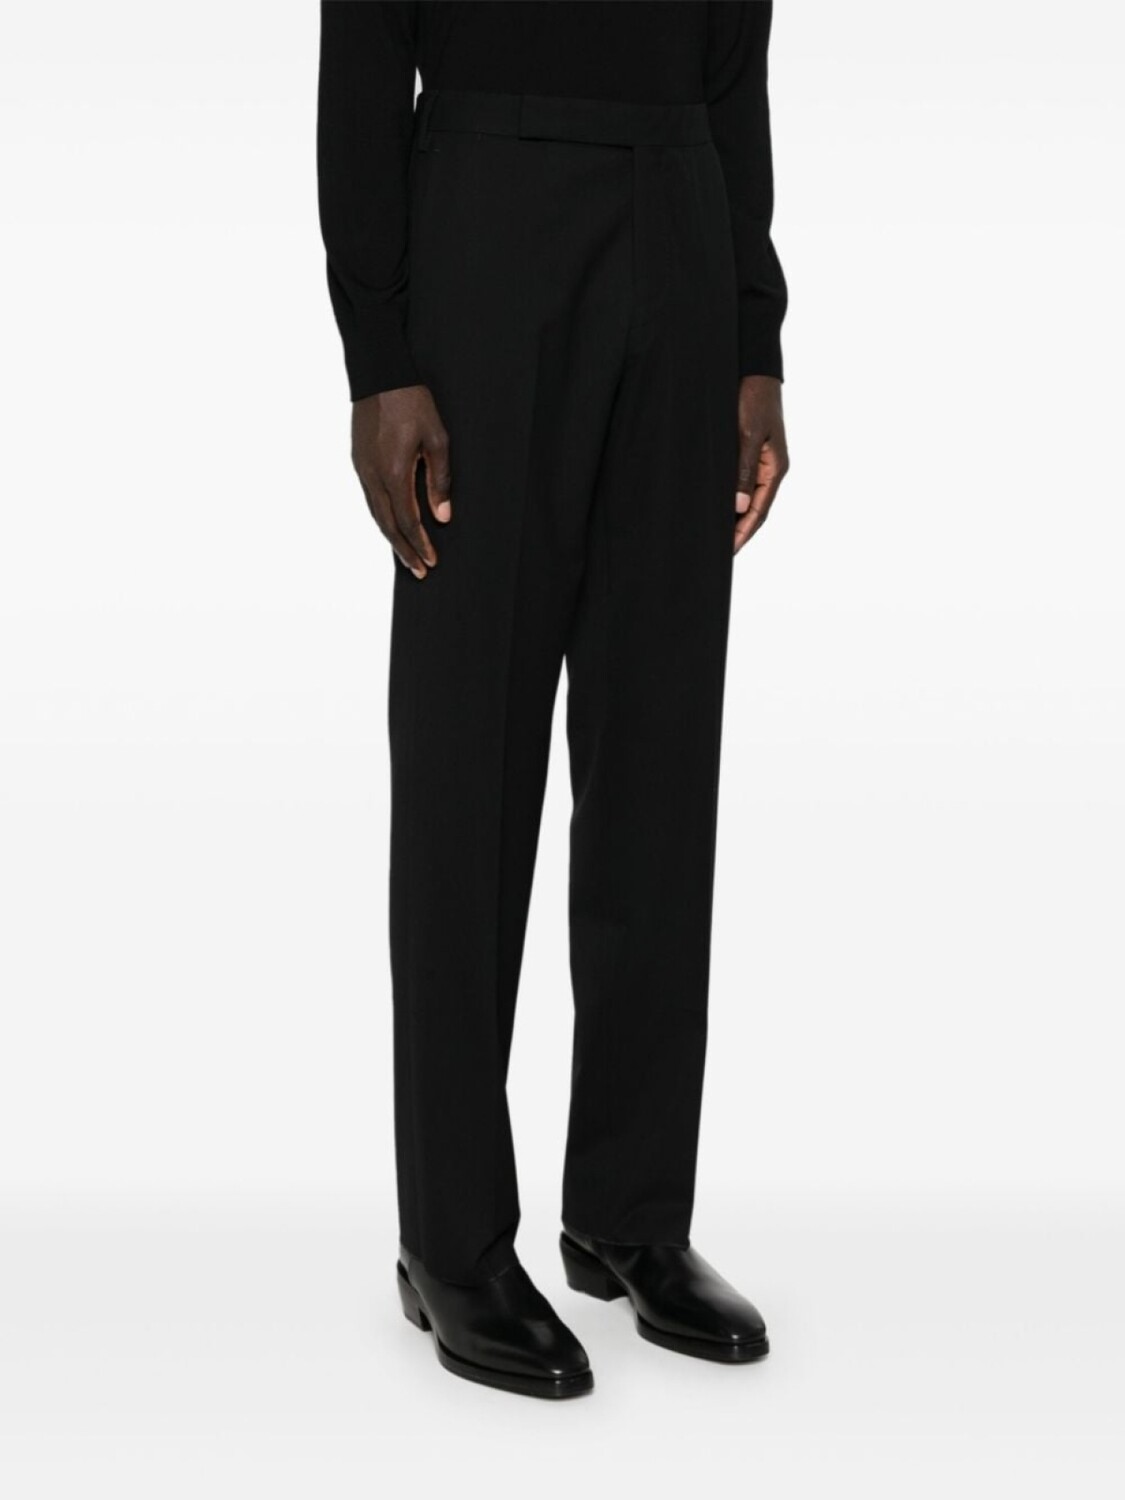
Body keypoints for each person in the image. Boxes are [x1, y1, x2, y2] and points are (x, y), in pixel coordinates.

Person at [317, 0, 789, 1399]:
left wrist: (752, 338)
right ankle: (451, 1239)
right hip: (485, 215)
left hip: (682, 209)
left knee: (658, 759)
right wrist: (380, 356)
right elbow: (364, 54)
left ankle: (631, 1215)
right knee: (467, 762)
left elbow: (737, 62)